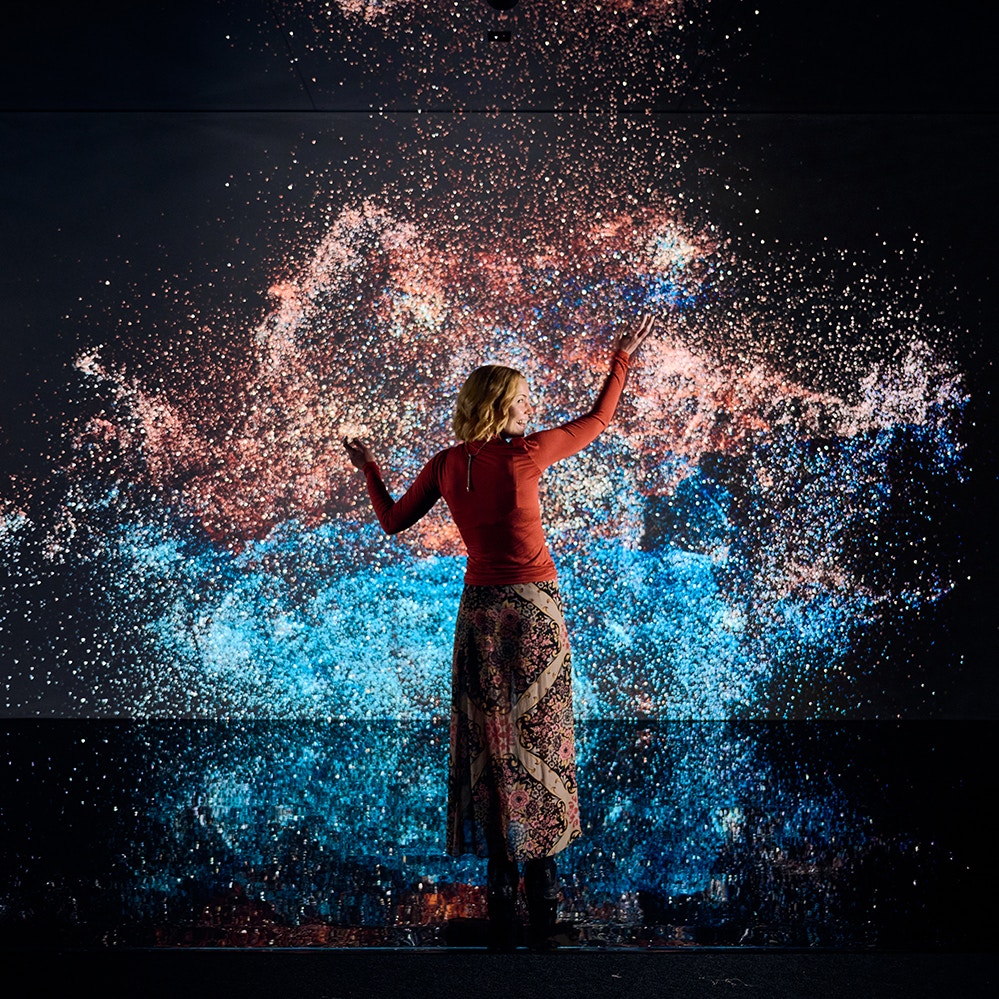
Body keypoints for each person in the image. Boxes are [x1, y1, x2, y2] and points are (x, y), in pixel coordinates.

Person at [343, 313, 656, 951]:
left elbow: (393, 522)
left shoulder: (446, 463)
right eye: (521, 399)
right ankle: (542, 907)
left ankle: (502, 910)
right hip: (535, 610)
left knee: (491, 743)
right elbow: (598, 421)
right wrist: (620, 359)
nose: (529, 408)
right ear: (501, 405)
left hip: (480, 614)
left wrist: (370, 468)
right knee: (541, 741)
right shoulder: (526, 451)